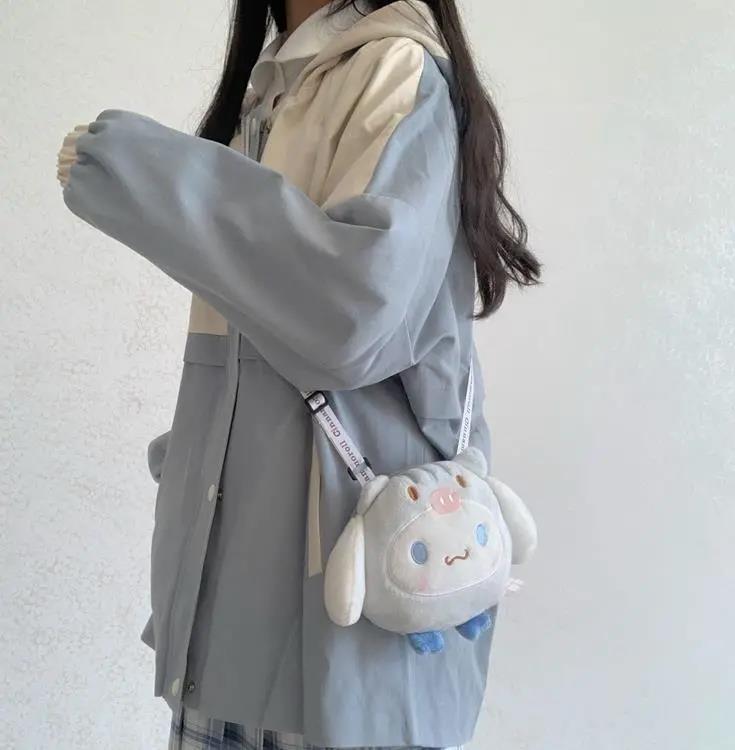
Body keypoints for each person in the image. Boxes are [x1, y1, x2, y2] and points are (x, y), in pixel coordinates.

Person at [57, 1, 540, 748]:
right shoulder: (277, 88)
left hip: (342, 642)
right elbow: (258, 349)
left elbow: (352, 316)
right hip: (234, 625)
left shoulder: (395, 66)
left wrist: (139, 169)